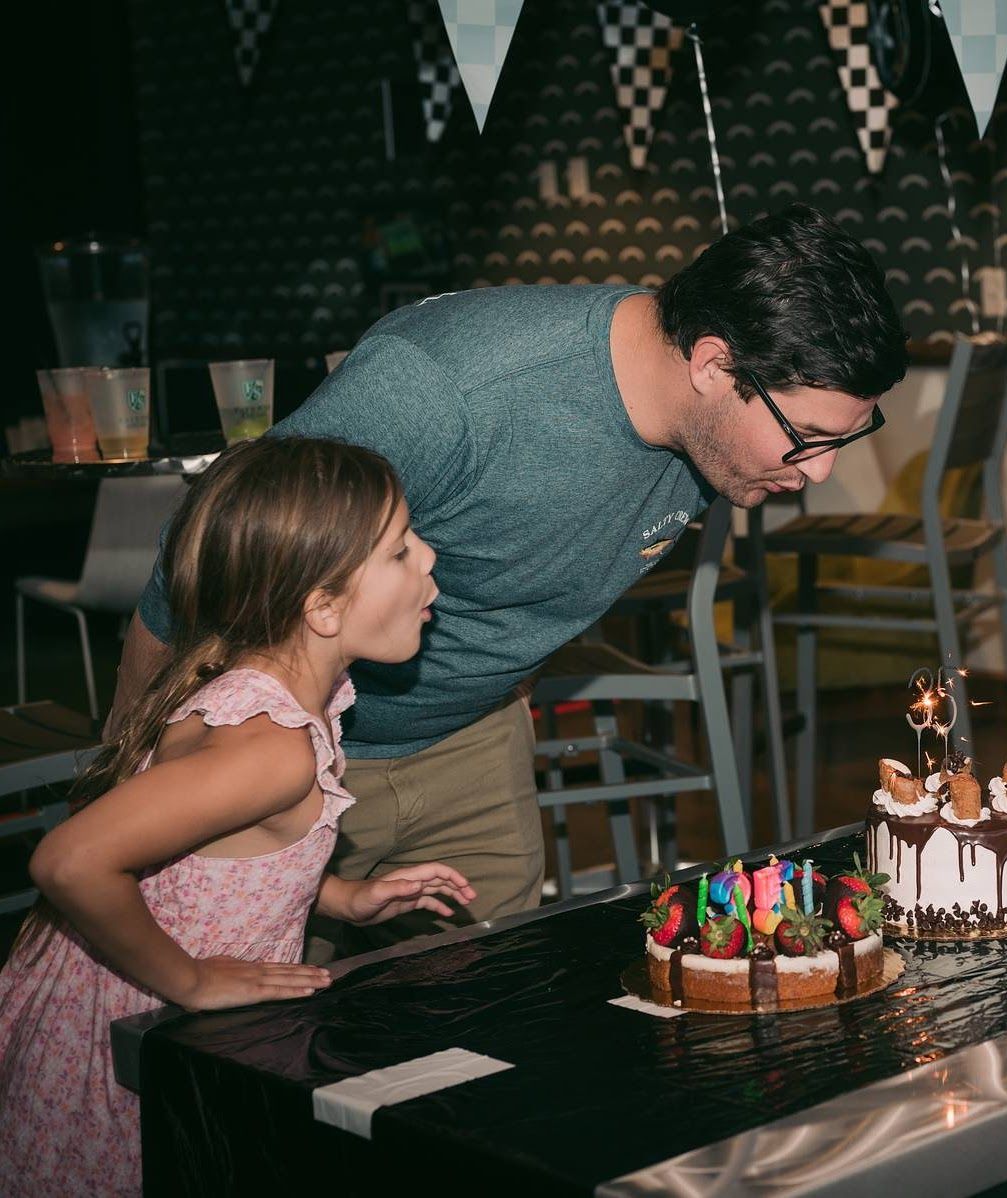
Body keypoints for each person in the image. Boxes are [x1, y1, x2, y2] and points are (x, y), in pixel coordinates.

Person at [109, 203, 908, 959]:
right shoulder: (443, 389)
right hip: (285, 759)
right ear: (711, 364)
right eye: (806, 437)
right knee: (246, 1049)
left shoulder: (719, 438)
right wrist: (131, 767)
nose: (819, 472)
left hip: (476, 745)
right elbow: (205, 557)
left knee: (486, 1035)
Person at [0, 438, 474, 1198]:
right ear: (321, 606)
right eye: (399, 551)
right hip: (140, 1032)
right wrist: (188, 981)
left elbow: (205, 865)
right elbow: (69, 861)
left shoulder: (273, 695)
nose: (429, 560)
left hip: (122, 1008)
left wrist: (343, 896)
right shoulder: (270, 747)